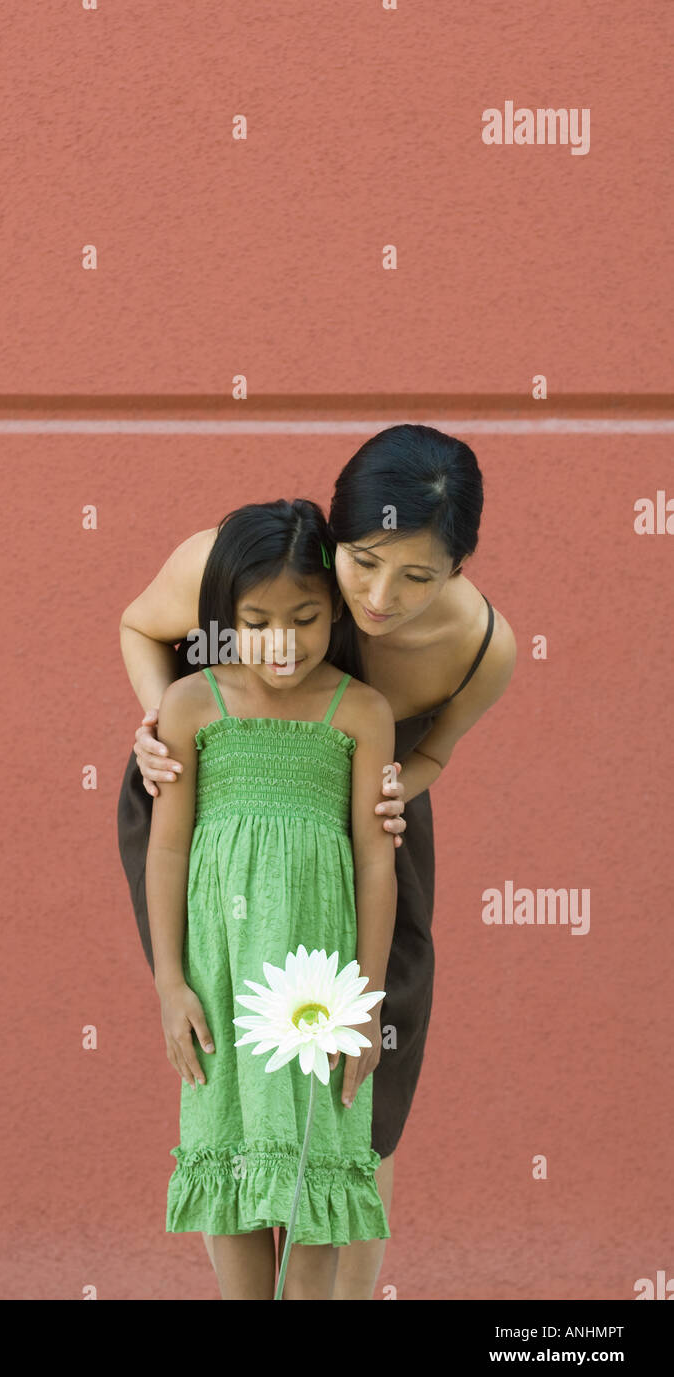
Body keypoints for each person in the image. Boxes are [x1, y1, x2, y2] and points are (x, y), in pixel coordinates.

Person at [118, 423, 516, 1298]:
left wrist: (380, 792)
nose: (381, 596)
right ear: (335, 535)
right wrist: (157, 733)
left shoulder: (480, 649)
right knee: (222, 1053)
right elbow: (140, 629)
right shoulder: (249, 566)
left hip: (366, 821)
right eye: (365, 561)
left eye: (419, 576)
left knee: (352, 1083)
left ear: (458, 568)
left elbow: (431, 758)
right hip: (208, 794)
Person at [148, 498, 397, 1299]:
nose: (280, 643)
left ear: (336, 613)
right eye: (255, 621)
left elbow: (374, 858)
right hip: (222, 974)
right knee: (233, 1147)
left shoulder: (360, 710)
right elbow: (167, 845)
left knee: (317, 1156)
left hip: (319, 978)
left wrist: (366, 1000)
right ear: (223, 616)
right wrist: (168, 982)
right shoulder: (191, 705)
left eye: (305, 618)